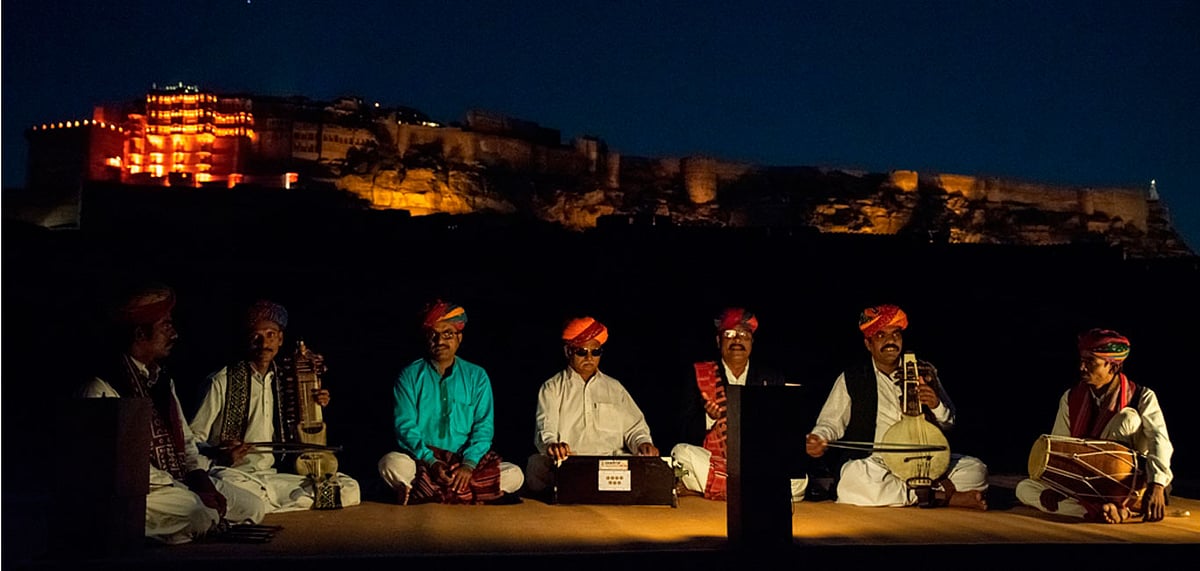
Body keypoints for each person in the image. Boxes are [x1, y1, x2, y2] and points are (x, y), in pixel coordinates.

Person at [76, 283, 267, 544]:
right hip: (142, 492)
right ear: (140, 334)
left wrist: (202, 482)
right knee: (198, 513)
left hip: (178, 483)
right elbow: (110, 469)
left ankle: (178, 527)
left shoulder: (162, 382)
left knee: (251, 506)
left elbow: (187, 446)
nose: (174, 334)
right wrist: (187, 489)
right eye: (166, 326)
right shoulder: (101, 387)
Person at [804, 304, 988, 509]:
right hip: (878, 462)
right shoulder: (853, 378)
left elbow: (949, 422)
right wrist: (819, 438)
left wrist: (935, 404)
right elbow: (830, 422)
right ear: (868, 344)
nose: (890, 341)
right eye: (881, 335)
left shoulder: (924, 370)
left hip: (925, 459)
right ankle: (940, 496)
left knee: (976, 470)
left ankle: (909, 493)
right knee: (854, 480)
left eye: (895, 334)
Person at [190, 300, 362, 512]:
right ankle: (262, 504)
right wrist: (219, 453)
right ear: (245, 340)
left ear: (280, 339)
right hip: (233, 474)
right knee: (236, 493)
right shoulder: (220, 382)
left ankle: (262, 505)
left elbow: (303, 430)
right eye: (256, 337)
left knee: (349, 489)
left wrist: (314, 405)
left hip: (271, 476)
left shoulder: (287, 381)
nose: (264, 343)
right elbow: (192, 442)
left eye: (271, 335)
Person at [1015, 328, 1173, 523]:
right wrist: (1057, 486)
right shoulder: (1071, 397)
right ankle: (1102, 511)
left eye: (1090, 362)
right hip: (1085, 483)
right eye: (1081, 361)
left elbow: (1160, 441)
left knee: (1127, 418)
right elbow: (1061, 444)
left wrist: (1157, 484)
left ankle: (1114, 504)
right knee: (1024, 488)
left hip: (1132, 483)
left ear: (1113, 367)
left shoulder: (1142, 397)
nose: (1082, 367)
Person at [377, 299, 524, 504]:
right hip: (424, 460)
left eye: (447, 333)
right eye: (433, 334)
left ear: (459, 337)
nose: (440, 341)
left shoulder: (477, 376)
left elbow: (484, 426)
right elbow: (405, 427)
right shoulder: (409, 375)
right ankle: (463, 492)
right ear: (425, 338)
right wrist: (432, 461)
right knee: (391, 463)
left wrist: (468, 465)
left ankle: (427, 491)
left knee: (515, 474)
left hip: (464, 462)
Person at [671, 307, 808, 501]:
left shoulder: (771, 377)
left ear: (752, 342)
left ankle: (724, 490)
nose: (737, 340)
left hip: (759, 462)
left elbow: (783, 430)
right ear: (719, 341)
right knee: (681, 453)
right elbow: (684, 430)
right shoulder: (699, 375)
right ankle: (757, 492)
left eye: (744, 335)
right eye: (730, 334)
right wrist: (709, 419)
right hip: (717, 462)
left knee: (799, 479)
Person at [523, 316, 659, 496]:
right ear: (568, 351)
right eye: (582, 351)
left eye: (595, 352)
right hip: (570, 463)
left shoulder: (615, 388)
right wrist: (552, 446)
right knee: (536, 465)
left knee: (645, 465)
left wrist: (643, 444)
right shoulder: (552, 388)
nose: (589, 357)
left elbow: (635, 428)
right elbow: (545, 430)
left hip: (611, 463)